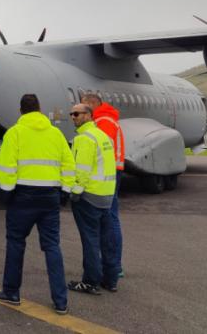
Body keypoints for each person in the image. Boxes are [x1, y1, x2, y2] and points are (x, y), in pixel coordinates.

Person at [0, 94, 74, 315]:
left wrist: (7, 194)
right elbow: (68, 164)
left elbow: (6, 167)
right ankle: (60, 301)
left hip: (22, 197)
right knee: (52, 247)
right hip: (50, 198)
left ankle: (11, 292)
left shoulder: (14, 133)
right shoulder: (56, 134)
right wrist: (65, 192)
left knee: (16, 243)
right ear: (40, 109)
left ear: (21, 111)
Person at [67, 104, 119, 295]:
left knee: (90, 240)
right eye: (71, 114)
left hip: (89, 196)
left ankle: (90, 281)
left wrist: (75, 192)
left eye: (77, 114)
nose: (73, 117)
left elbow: (82, 169)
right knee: (107, 239)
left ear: (88, 115)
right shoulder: (102, 136)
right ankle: (111, 279)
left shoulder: (84, 139)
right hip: (106, 195)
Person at [81, 91, 125, 277]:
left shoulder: (103, 122)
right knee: (109, 219)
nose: (79, 112)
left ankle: (112, 266)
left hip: (107, 175)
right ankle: (112, 266)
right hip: (112, 172)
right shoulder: (106, 120)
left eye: (82, 108)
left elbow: (100, 152)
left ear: (91, 105)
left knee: (109, 219)